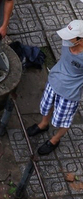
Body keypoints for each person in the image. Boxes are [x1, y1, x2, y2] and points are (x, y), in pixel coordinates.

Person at [25, 20, 83, 155]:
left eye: (70, 37)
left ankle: (55, 140)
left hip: (70, 92)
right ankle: (43, 124)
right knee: (46, 106)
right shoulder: (67, 42)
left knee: (64, 119)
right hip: (54, 80)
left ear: (80, 39)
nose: (65, 39)